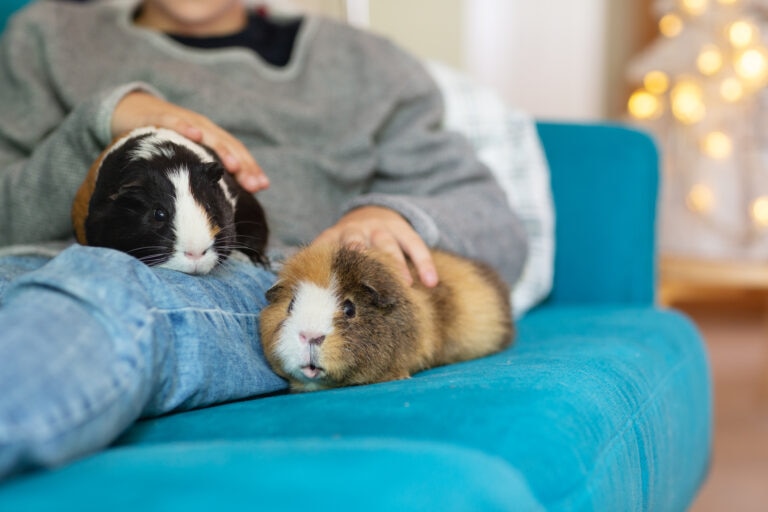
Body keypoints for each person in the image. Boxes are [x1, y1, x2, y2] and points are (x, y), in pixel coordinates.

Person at [0, 0, 527, 480]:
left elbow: (496, 221)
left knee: (105, 292)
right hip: (21, 263)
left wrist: (389, 215)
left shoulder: (366, 64)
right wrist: (97, 126)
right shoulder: (45, 37)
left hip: (228, 279)